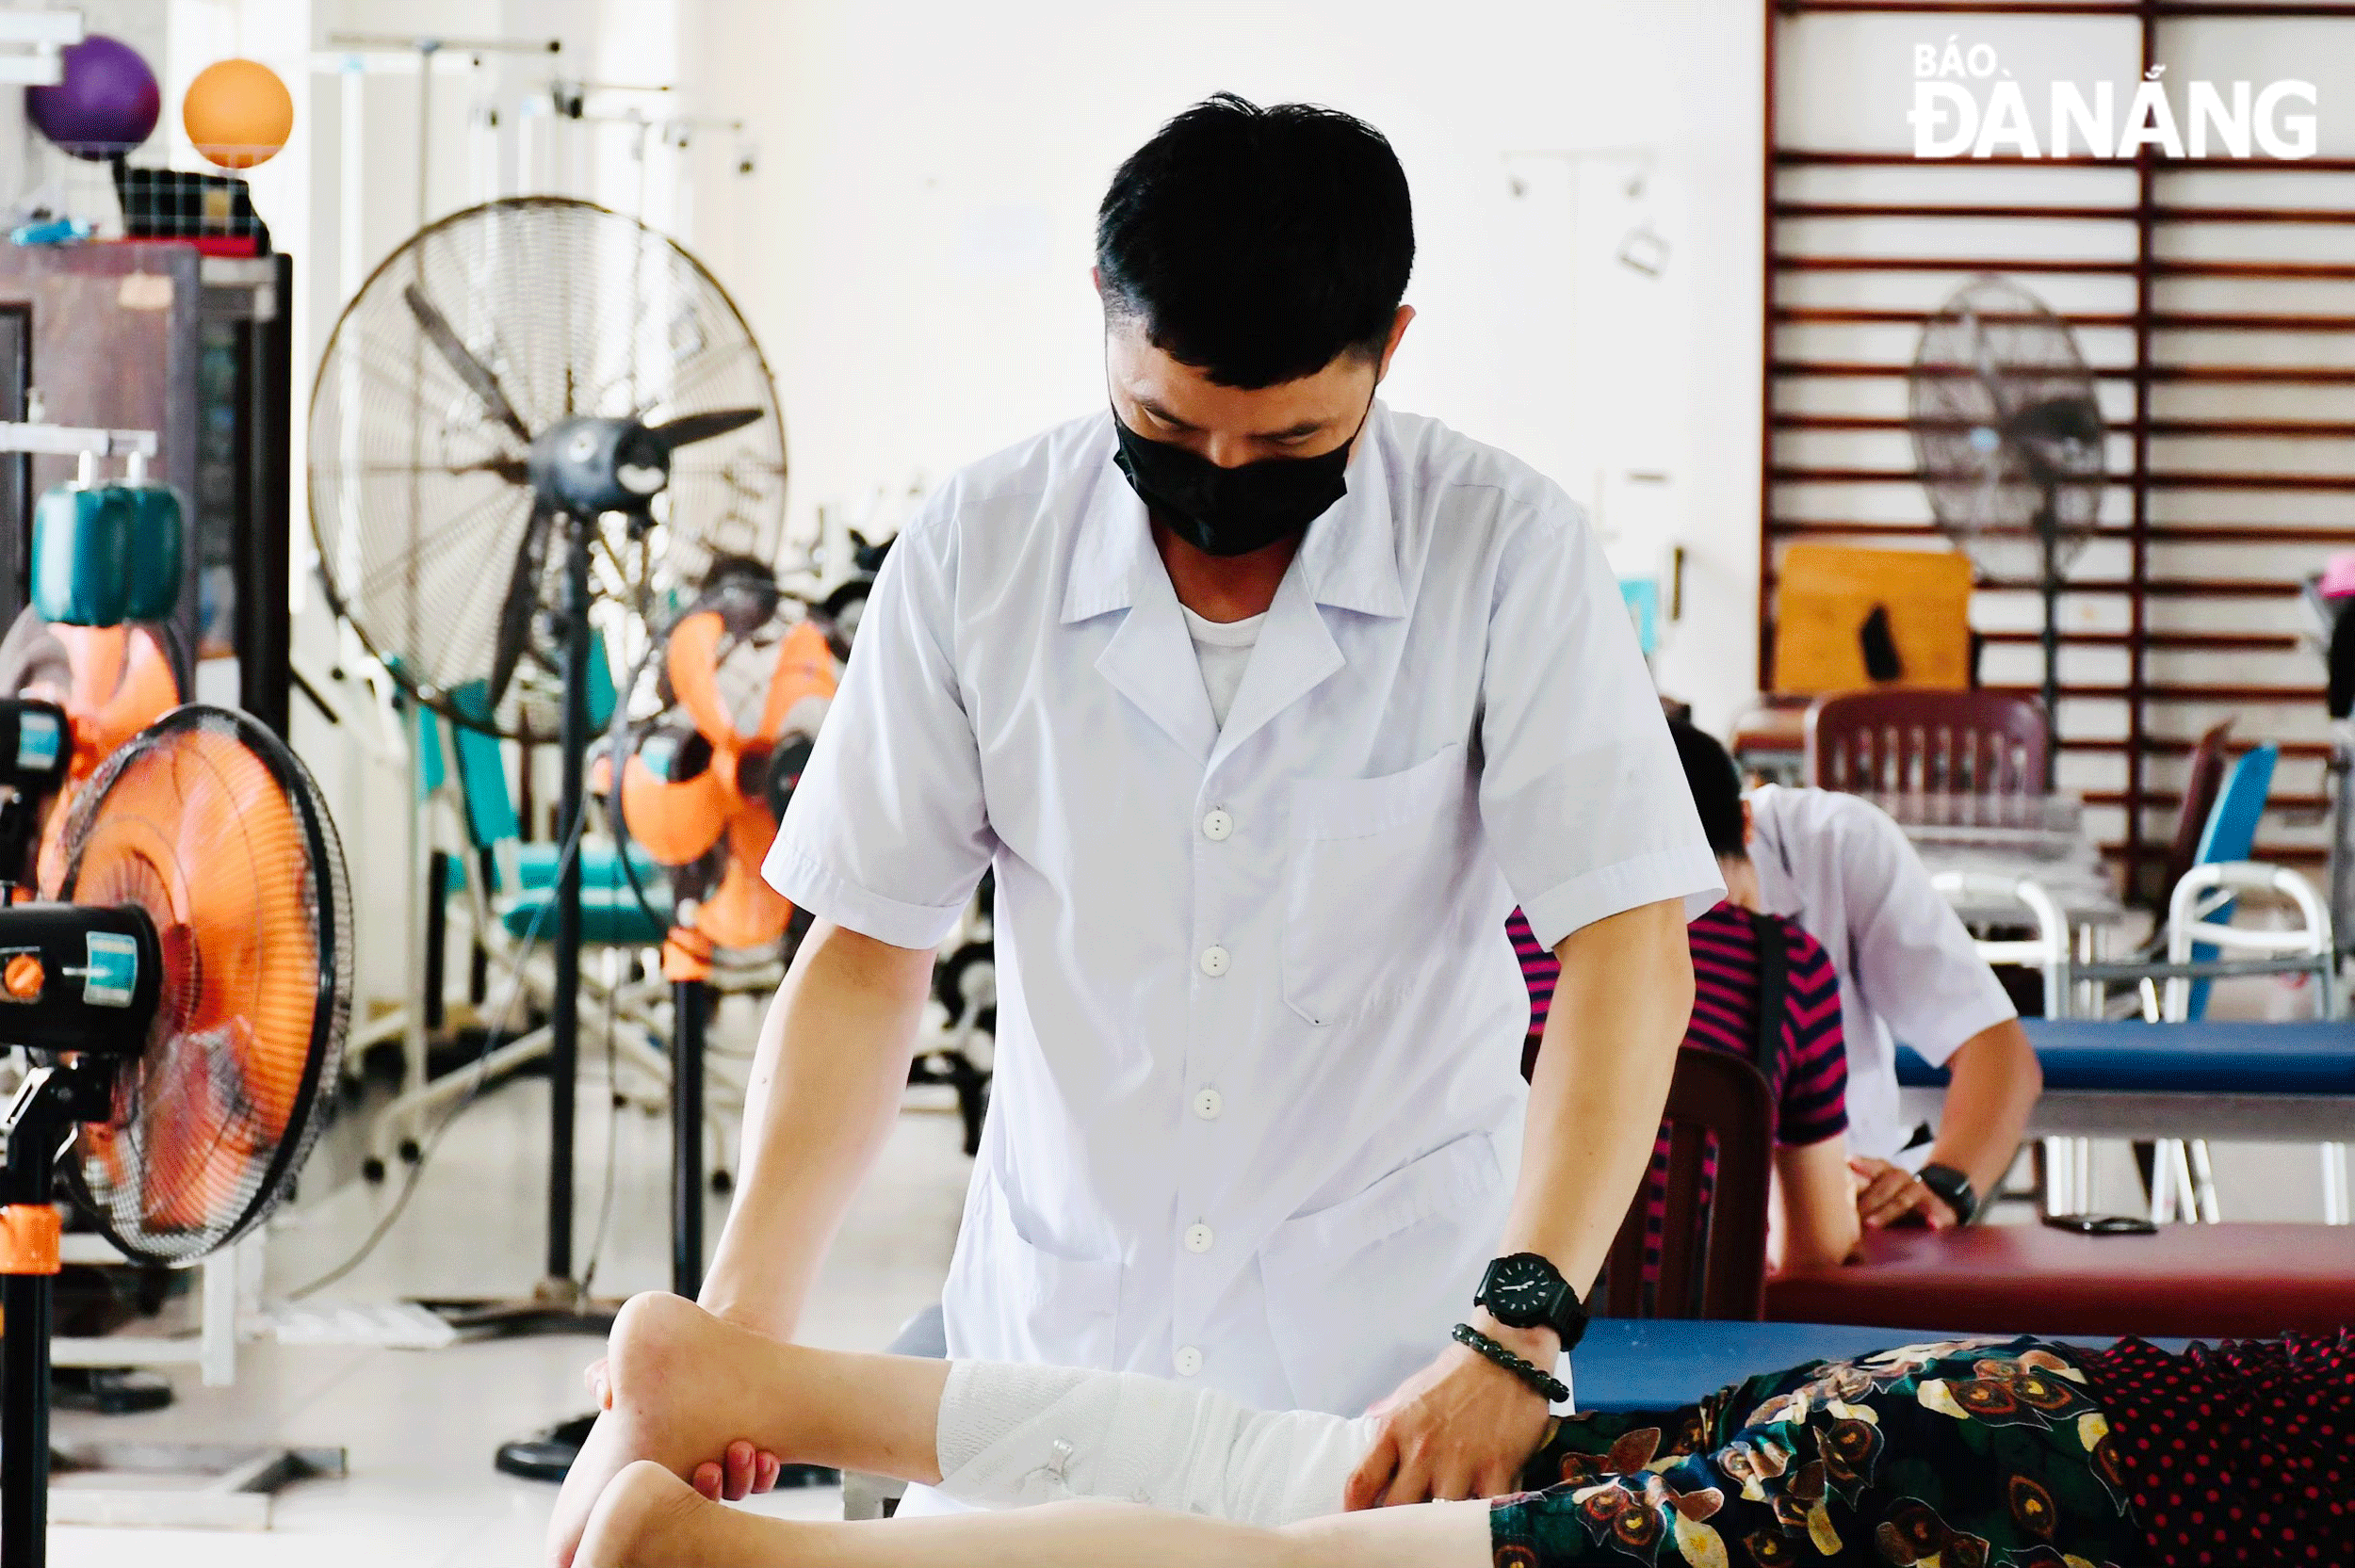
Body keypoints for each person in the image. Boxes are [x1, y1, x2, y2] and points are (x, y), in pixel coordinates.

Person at [554, 93, 1721, 1558]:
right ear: (1101, 317)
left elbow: (1628, 950)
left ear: (1391, 351)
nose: (1222, 480)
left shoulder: (1502, 551)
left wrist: (1517, 1331)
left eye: (1287, 439)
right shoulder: (980, 548)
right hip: (1051, 1335)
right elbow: (864, 956)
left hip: (1381, 1371)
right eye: (1169, 427)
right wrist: (743, 1331)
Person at [560, 1289, 2353, 1568]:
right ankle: (719, 1554)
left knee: (1308, 1488)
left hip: (2029, 1412)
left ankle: (726, 1382)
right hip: (2034, 1489)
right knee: (1336, 1556)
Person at [1511, 720, 1859, 1276]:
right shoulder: (1785, 965)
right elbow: (1815, 1250)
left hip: (1491, 1322)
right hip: (1691, 1342)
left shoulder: (1506, 943)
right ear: (1745, 821)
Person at [1730, 779, 2043, 1234]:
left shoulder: (1836, 841)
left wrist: (1941, 1187)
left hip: (1850, 1205)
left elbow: (1997, 1051)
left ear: (1744, 825)